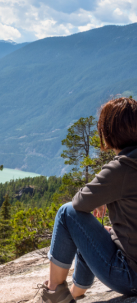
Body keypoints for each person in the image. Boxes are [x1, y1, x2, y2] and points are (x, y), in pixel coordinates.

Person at [34, 97, 137, 303]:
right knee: (97, 231)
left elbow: (79, 204)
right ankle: (76, 293)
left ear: (107, 133)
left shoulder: (123, 167)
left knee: (67, 213)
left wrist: (101, 196)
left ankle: (54, 294)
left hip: (130, 277)